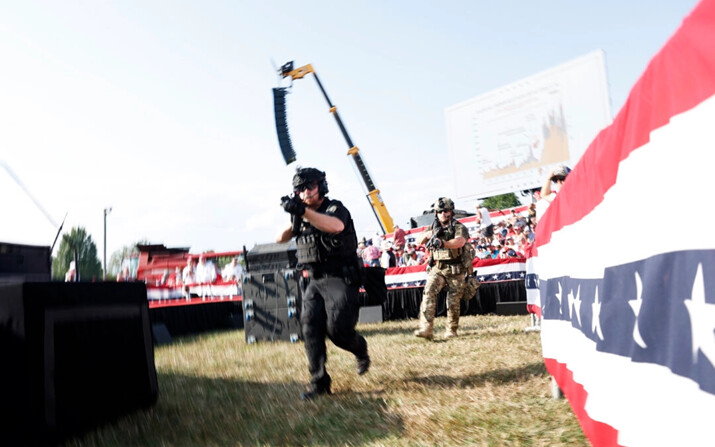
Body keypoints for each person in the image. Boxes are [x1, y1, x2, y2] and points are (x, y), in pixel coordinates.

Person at [277, 167, 370, 401]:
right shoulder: (302, 213)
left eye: (310, 187)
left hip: (340, 278)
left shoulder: (335, 208)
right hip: (315, 280)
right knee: (309, 328)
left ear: (321, 186)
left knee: (337, 330)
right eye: (300, 189)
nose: (305, 192)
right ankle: (319, 382)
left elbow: (335, 226)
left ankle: (360, 349)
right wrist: (295, 215)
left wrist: (304, 212)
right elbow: (280, 238)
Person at [414, 197, 470, 340]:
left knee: (453, 301)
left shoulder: (459, 227)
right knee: (428, 292)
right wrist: (428, 235)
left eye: (448, 211)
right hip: (438, 268)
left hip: (456, 268)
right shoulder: (433, 227)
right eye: (442, 211)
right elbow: (418, 241)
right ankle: (426, 328)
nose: (445, 214)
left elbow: (460, 242)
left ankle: (451, 330)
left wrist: (442, 243)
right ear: (436, 213)